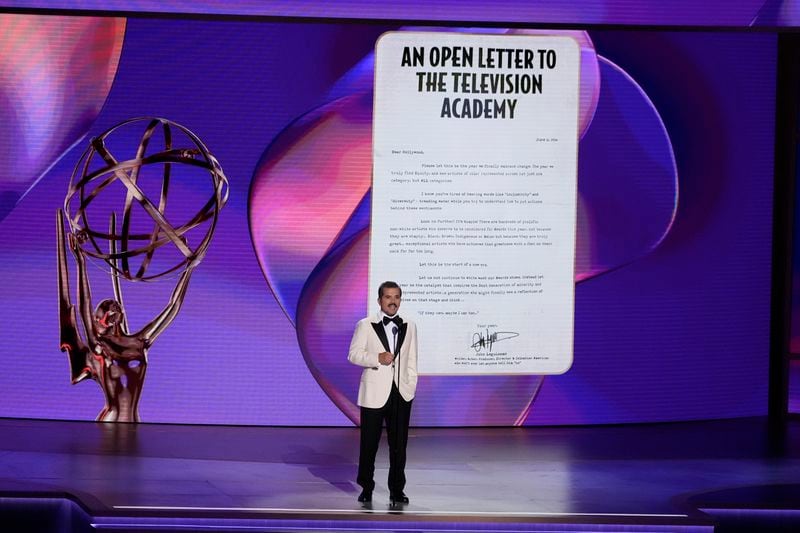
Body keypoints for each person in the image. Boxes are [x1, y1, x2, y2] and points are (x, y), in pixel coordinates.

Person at [348, 281, 418, 505]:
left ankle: (397, 490)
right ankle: (366, 487)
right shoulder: (365, 325)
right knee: (369, 444)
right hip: (374, 393)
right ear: (380, 300)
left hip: (401, 393)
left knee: (399, 446)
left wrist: (410, 385)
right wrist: (376, 358)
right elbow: (353, 354)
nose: (393, 301)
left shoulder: (409, 325)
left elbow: (412, 359)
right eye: (388, 297)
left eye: (396, 297)